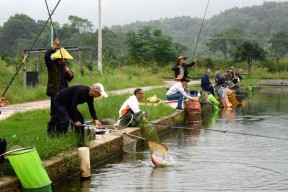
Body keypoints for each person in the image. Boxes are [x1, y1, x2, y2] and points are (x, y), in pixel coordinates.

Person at [44, 38, 74, 136]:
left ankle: (60, 133)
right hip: (55, 92)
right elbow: (46, 56)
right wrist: (55, 46)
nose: (64, 60)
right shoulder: (51, 65)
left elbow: (70, 77)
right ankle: (51, 133)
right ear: (59, 58)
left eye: (65, 59)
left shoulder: (64, 67)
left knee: (63, 113)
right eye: (63, 59)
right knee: (54, 114)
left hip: (64, 93)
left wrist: (69, 72)